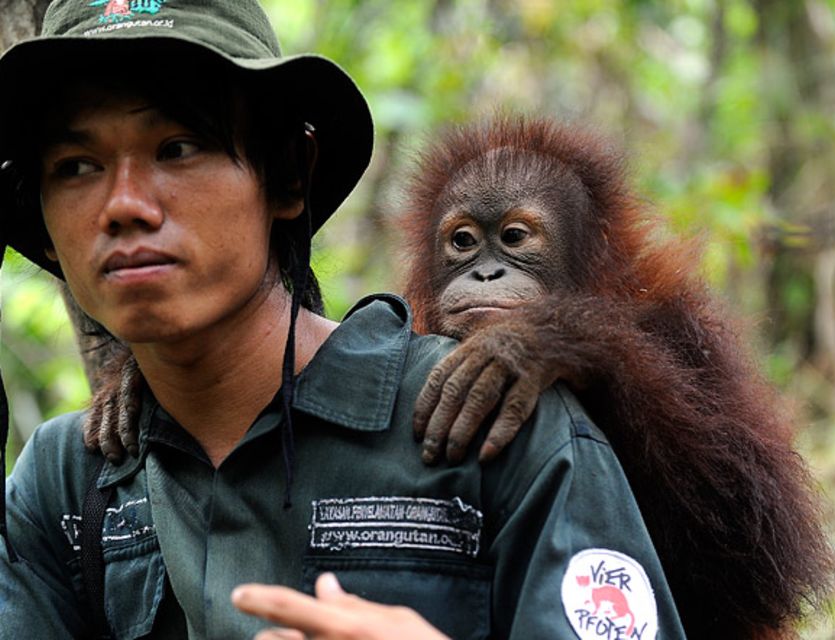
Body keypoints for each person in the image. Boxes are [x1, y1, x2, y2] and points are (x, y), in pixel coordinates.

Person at [0, 1, 686, 638]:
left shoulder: (497, 424)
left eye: (178, 147)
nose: (123, 205)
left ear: (291, 175)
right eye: (76, 164)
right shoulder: (66, 484)